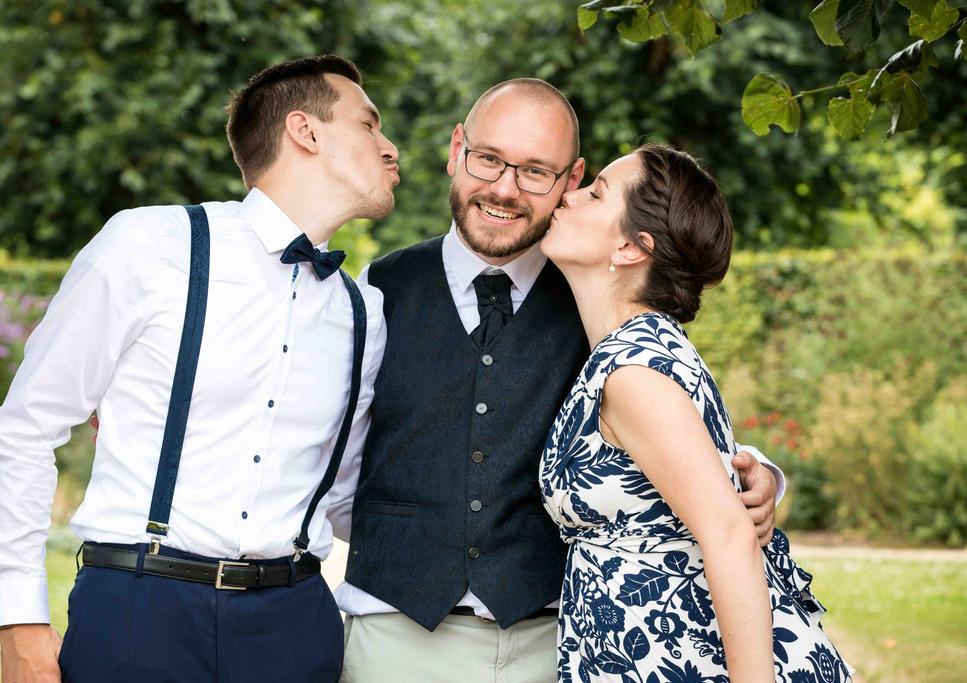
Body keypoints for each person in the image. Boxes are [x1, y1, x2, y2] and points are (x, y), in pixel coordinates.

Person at [331, 79, 785, 682]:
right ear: (457, 148)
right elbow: (325, 460)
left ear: (570, 181)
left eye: (537, 172)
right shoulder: (375, 291)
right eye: (488, 158)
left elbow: (672, 426)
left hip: (557, 641)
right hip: (395, 632)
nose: (503, 188)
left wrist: (754, 477)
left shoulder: (598, 302)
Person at [0, 54, 396, 682]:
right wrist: (20, 620)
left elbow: (342, 495)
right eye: (369, 125)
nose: (390, 148)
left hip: (296, 625)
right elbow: (25, 428)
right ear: (306, 132)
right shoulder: (151, 246)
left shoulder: (363, 310)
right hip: (138, 611)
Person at [538, 144, 852, 681]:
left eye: (594, 193)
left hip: (686, 658)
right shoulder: (641, 348)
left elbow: (728, 535)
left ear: (633, 248)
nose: (568, 195)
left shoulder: (634, 370)